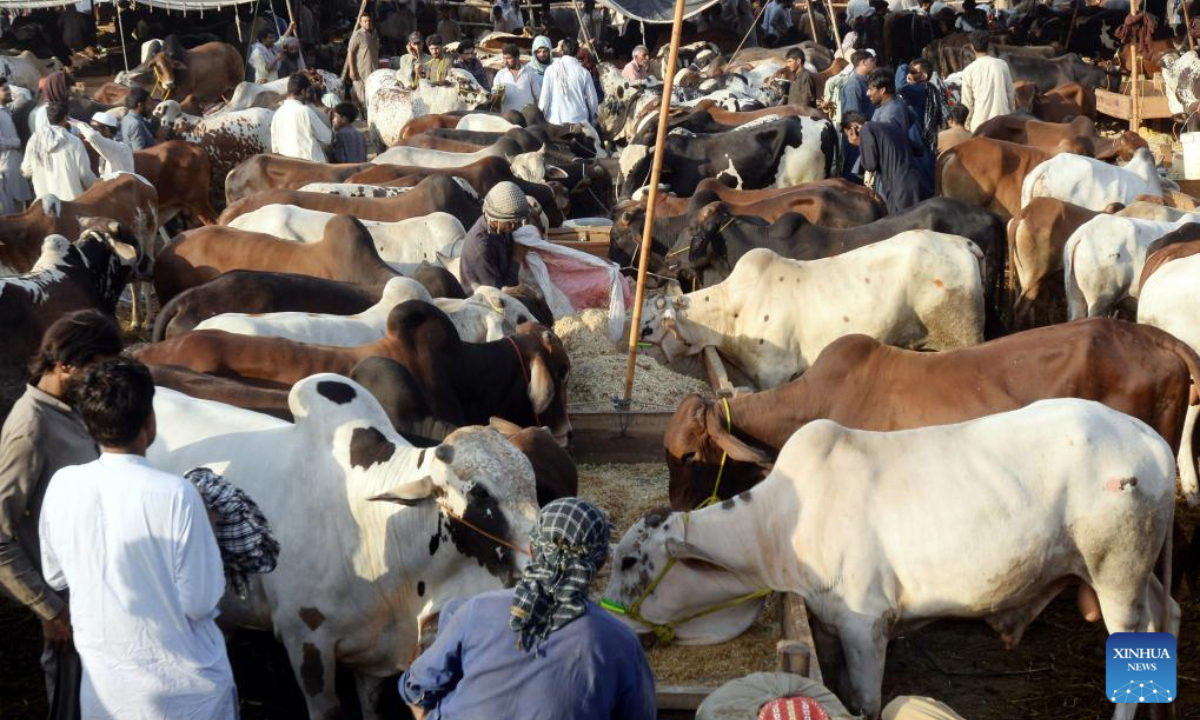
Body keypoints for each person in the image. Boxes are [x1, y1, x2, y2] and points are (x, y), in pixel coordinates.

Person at [39, 358, 236, 719]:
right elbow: (201, 602)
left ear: (88, 424)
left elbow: (55, 576)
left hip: (105, 697)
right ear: (150, 422)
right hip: (187, 698)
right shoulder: (179, 495)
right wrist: (208, 529)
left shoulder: (62, 485)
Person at [399, 499, 657, 720]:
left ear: (532, 550)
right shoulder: (620, 642)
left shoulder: (477, 610)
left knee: (452, 611)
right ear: (601, 564)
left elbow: (417, 689)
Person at [0, 311, 122, 719]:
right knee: (70, 701)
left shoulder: (72, 409)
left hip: (94, 588)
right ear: (63, 364)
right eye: (94, 370)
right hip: (66, 601)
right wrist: (50, 609)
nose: (100, 382)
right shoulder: (31, 428)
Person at [843, 111, 931, 213]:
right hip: (915, 182)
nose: (849, 139)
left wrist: (859, 142)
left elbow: (869, 165)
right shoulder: (890, 127)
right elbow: (919, 150)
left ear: (854, 128)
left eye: (847, 135)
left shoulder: (866, 130)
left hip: (899, 189)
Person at [460, 182, 530, 291]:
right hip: (484, 300)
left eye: (519, 222)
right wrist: (517, 258)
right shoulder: (481, 248)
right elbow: (499, 293)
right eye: (512, 222)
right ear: (495, 219)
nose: (516, 227)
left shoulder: (500, 227)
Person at [21, 101, 95, 201]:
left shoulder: (34, 140)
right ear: (66, 118)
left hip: (46, 204)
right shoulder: (74, 142)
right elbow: (85, 175)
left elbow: (26, 170)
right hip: (71, 205)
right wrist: (100, 187)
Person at [270, 73, 332, 162]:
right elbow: (328, 138)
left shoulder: (276, 115)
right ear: (303, 91)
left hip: (289, 169)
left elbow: (275, 149)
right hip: (311, 168)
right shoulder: (305, 111)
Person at [959, 31, 1014, 131]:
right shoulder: (1002, 65)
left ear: (971, 47)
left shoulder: (968, 71)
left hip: (980, 125)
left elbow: (967, 103)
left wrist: (967, 124)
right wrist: (1011, 115)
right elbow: (1011, 95)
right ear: (988, 45)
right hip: (1003, 121)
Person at [539, 38, 599, 125]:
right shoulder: (584, 72)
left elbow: (544, 99)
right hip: (579, 124)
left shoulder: (550, 70)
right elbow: (592, 100)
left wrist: (541, 120)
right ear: (578, 51)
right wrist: (593, 120)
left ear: (562, 51)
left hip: (555, 124)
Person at [0, 76, 32, 214]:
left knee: (19, 205)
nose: (9, 92)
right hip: (6, 166)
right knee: (10, 210)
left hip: (14, 163)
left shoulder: (5, 110)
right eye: (5, 89)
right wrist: (17, 142)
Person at [71, 111, 135, 177]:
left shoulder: (120, 148)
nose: (92, 130)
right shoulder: (105, 149)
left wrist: (78, 123)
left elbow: (92, 136)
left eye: (94, 128)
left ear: (107, 130)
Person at [493, 43, 542, 114]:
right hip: (508, 118)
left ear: (517, 57)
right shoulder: (500, 74)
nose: (505, 61)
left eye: (509, 58)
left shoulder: (529, 72)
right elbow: (494, 95)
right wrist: (496, 96)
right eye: (504, 58)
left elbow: (538, 96)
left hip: (527, 117)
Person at [346, 13, 379, 109]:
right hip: (361, 71)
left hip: (373, 69)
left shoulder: (374, 33)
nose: (367, 23)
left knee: (372, 94)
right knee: (360, 95)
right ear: (360, 23)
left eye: (369, 21)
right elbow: (350, 52)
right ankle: (361, 117)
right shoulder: (357, 35)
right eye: (365, 21)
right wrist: (351, 70)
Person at [28, 70, 71, 136]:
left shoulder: (61, 107)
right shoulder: (44, 111)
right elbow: (46, 138)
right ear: (55, 88)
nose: (69, 92)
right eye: (66, 88)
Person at [120, 87, 156, 151]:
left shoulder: (126, 118)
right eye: (149, 104)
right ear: (140, 105)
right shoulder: (136, 124)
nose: (151, 107)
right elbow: (139, 153)